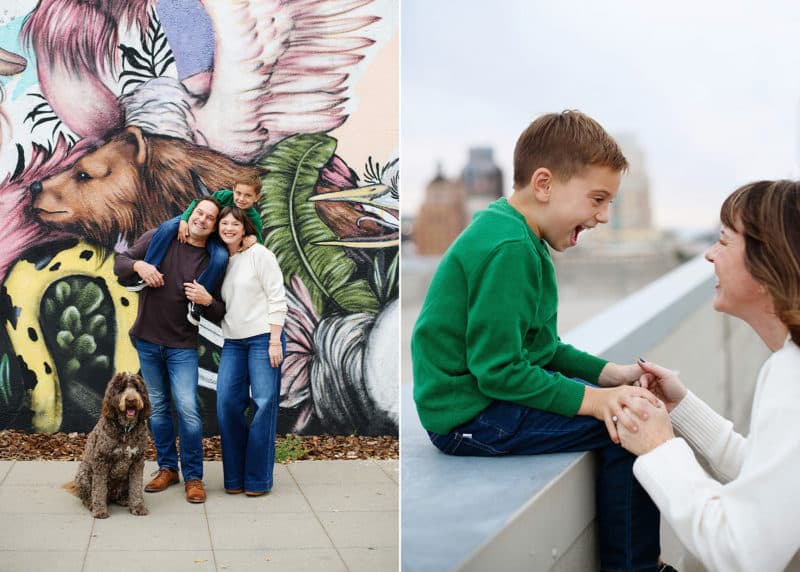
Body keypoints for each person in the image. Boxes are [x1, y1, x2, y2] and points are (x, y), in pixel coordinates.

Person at [411, 110, 667, 571]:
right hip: (467, 416)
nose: (604, 216)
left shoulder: (522, 238)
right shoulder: (508, 249)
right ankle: (633, 566)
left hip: (482, 399)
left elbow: (542, 350)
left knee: (626, 405)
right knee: (630, 424)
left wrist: (612, 375)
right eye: (597, 198)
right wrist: (599, 402)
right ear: (544, 184)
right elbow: (500, 371)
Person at [617, 180, 800, 572]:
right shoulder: (789, 363)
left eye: (723, 241)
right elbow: (774, 478)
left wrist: (658, 448)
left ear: (768, 262)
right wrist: (681, 407)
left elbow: (740, 553)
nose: (709, 255)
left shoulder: (792, 375)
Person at [114, 196, 225, 504]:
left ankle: (193, 477)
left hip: (182, 347)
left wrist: (207, 301)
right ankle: (167, 468)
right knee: (159, 409)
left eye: (209, 218)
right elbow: (120, 264)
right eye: (199, 213)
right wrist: (140, 265)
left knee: (188, 410)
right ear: (191, 213)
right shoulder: (159, 238)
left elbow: (219, 312)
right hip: (148, 341)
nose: (202, 219)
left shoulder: (214, 261)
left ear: (214, 226)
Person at [194, 206, 287, 496]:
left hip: (263, 339)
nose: (229, 228)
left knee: (263, 405)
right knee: (227, 405)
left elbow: (277, 297)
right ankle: (234, 478)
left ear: (245, 227)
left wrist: (275, 340)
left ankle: (258, 480)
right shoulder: (219, 261)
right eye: (224, 223)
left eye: (235, 223)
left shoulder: (260, 255)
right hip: (233, 341)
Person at [124, 171, 264, 326]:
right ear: (233, 189)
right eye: (238, 193)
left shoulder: (254, 219)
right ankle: (148, 270)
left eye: (247, 196)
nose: (241, 199)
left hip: (215, 237)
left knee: (220, 258)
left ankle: (196, 302)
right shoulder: (224, 196)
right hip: (197, 223)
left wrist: (253, 240)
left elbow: (259, 243)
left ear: (256, 197)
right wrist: (184, 219)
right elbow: (200, 203)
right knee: (167, 227)